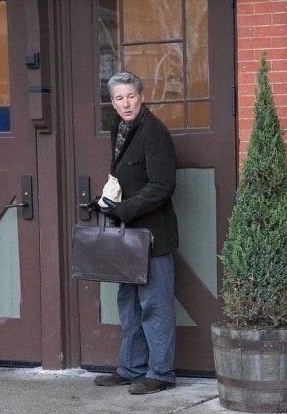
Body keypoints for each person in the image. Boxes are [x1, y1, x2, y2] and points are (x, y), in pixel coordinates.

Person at [91, 71, 179, 395]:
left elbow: (162, 186)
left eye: (130, 96)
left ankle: (161, 373)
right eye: (118, 98)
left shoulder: (153, 132)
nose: (125, 103)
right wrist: (106, 203)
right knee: (129, 303)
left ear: (141, 97)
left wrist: (124, 209)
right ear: (112, 103)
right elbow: (123, 178)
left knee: (155, 305)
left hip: (152, 236)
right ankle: (130, 368)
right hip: (127, 236)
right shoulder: (121, 129)